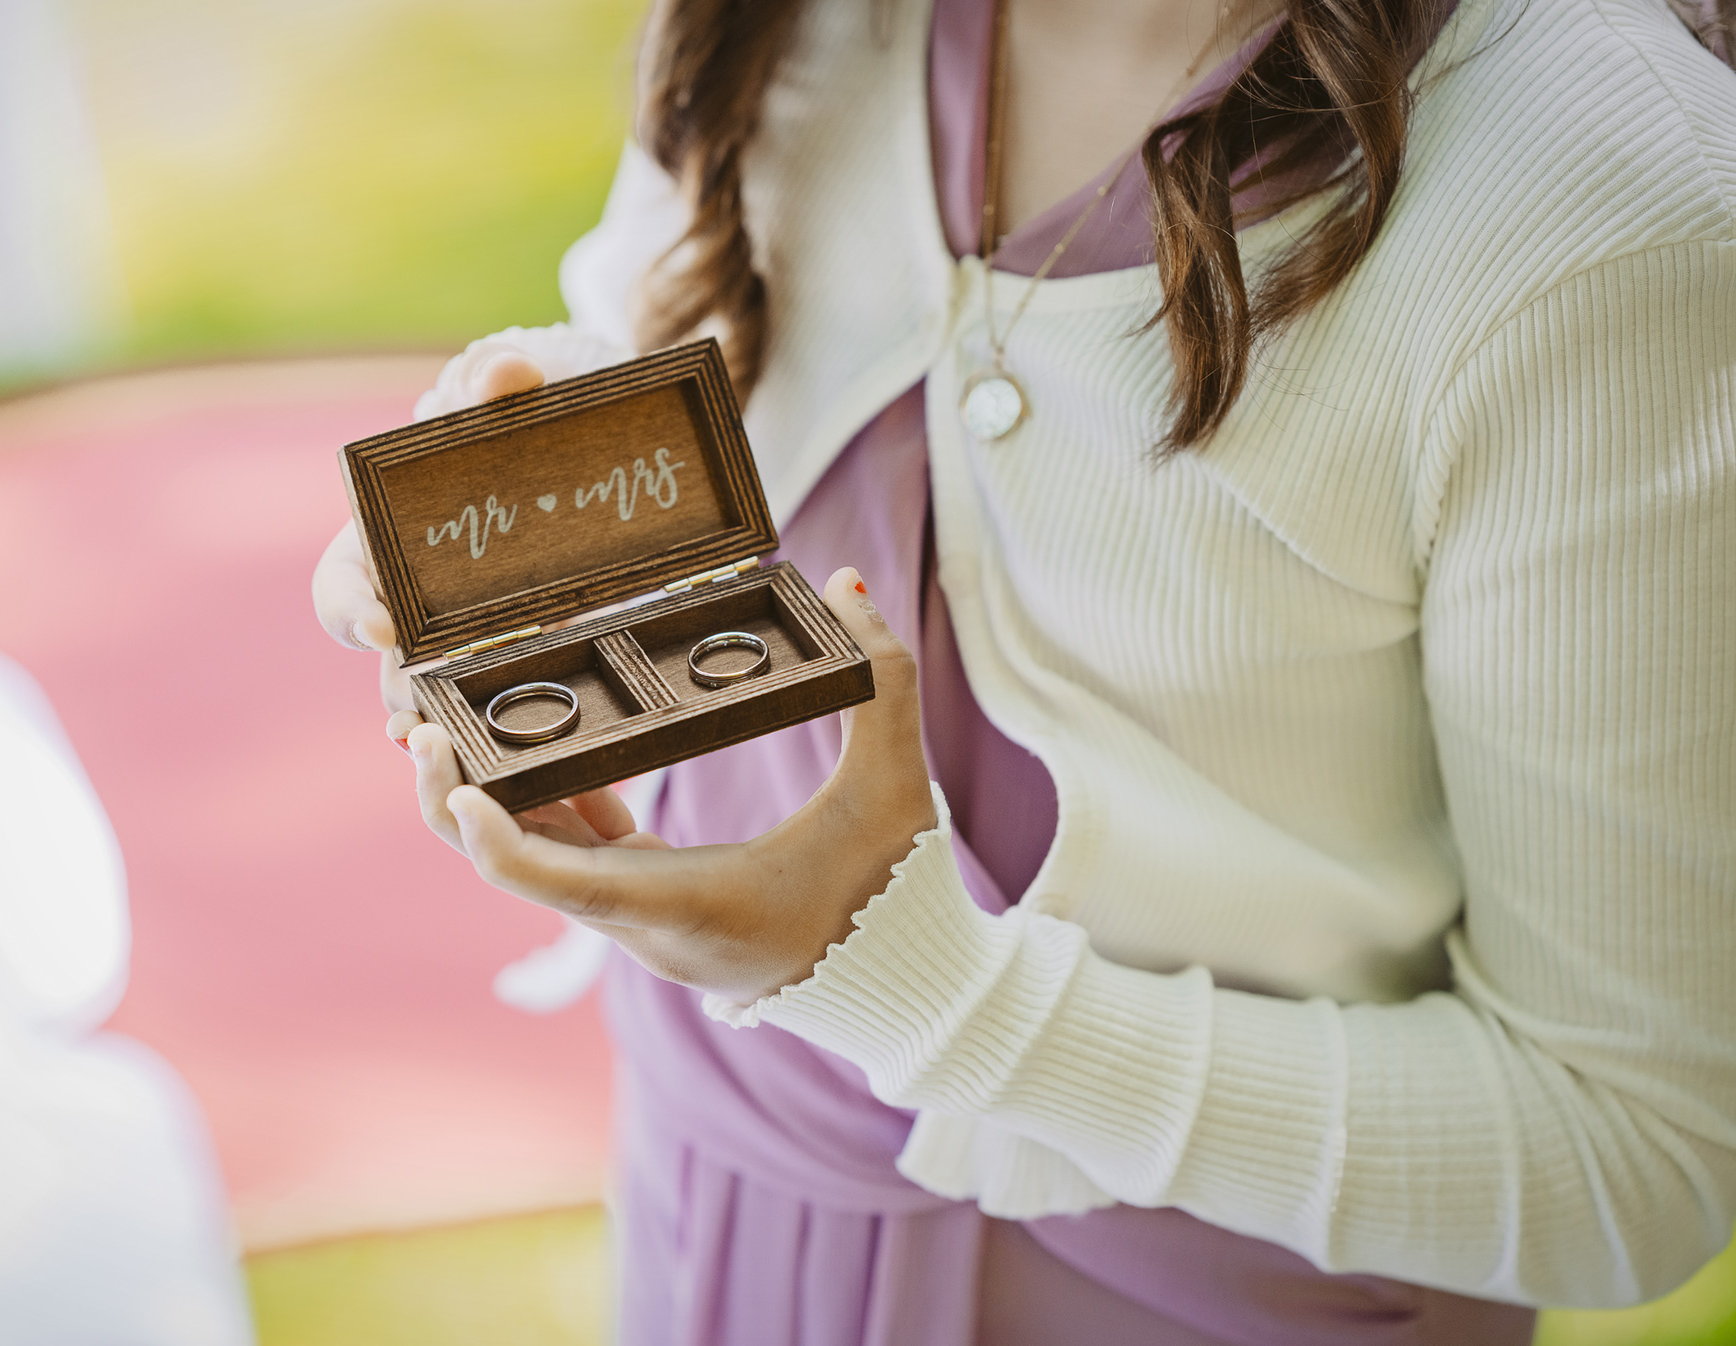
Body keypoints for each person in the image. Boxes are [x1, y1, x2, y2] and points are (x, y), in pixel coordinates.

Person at [313, 0, 1736, 1340]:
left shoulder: (1601, 203)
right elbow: (684, 334)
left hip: (1205, 1298)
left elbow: (1634, 1147)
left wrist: (910, 981)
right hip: (714, 1207)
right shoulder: (783, 24)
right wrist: (494, 481)